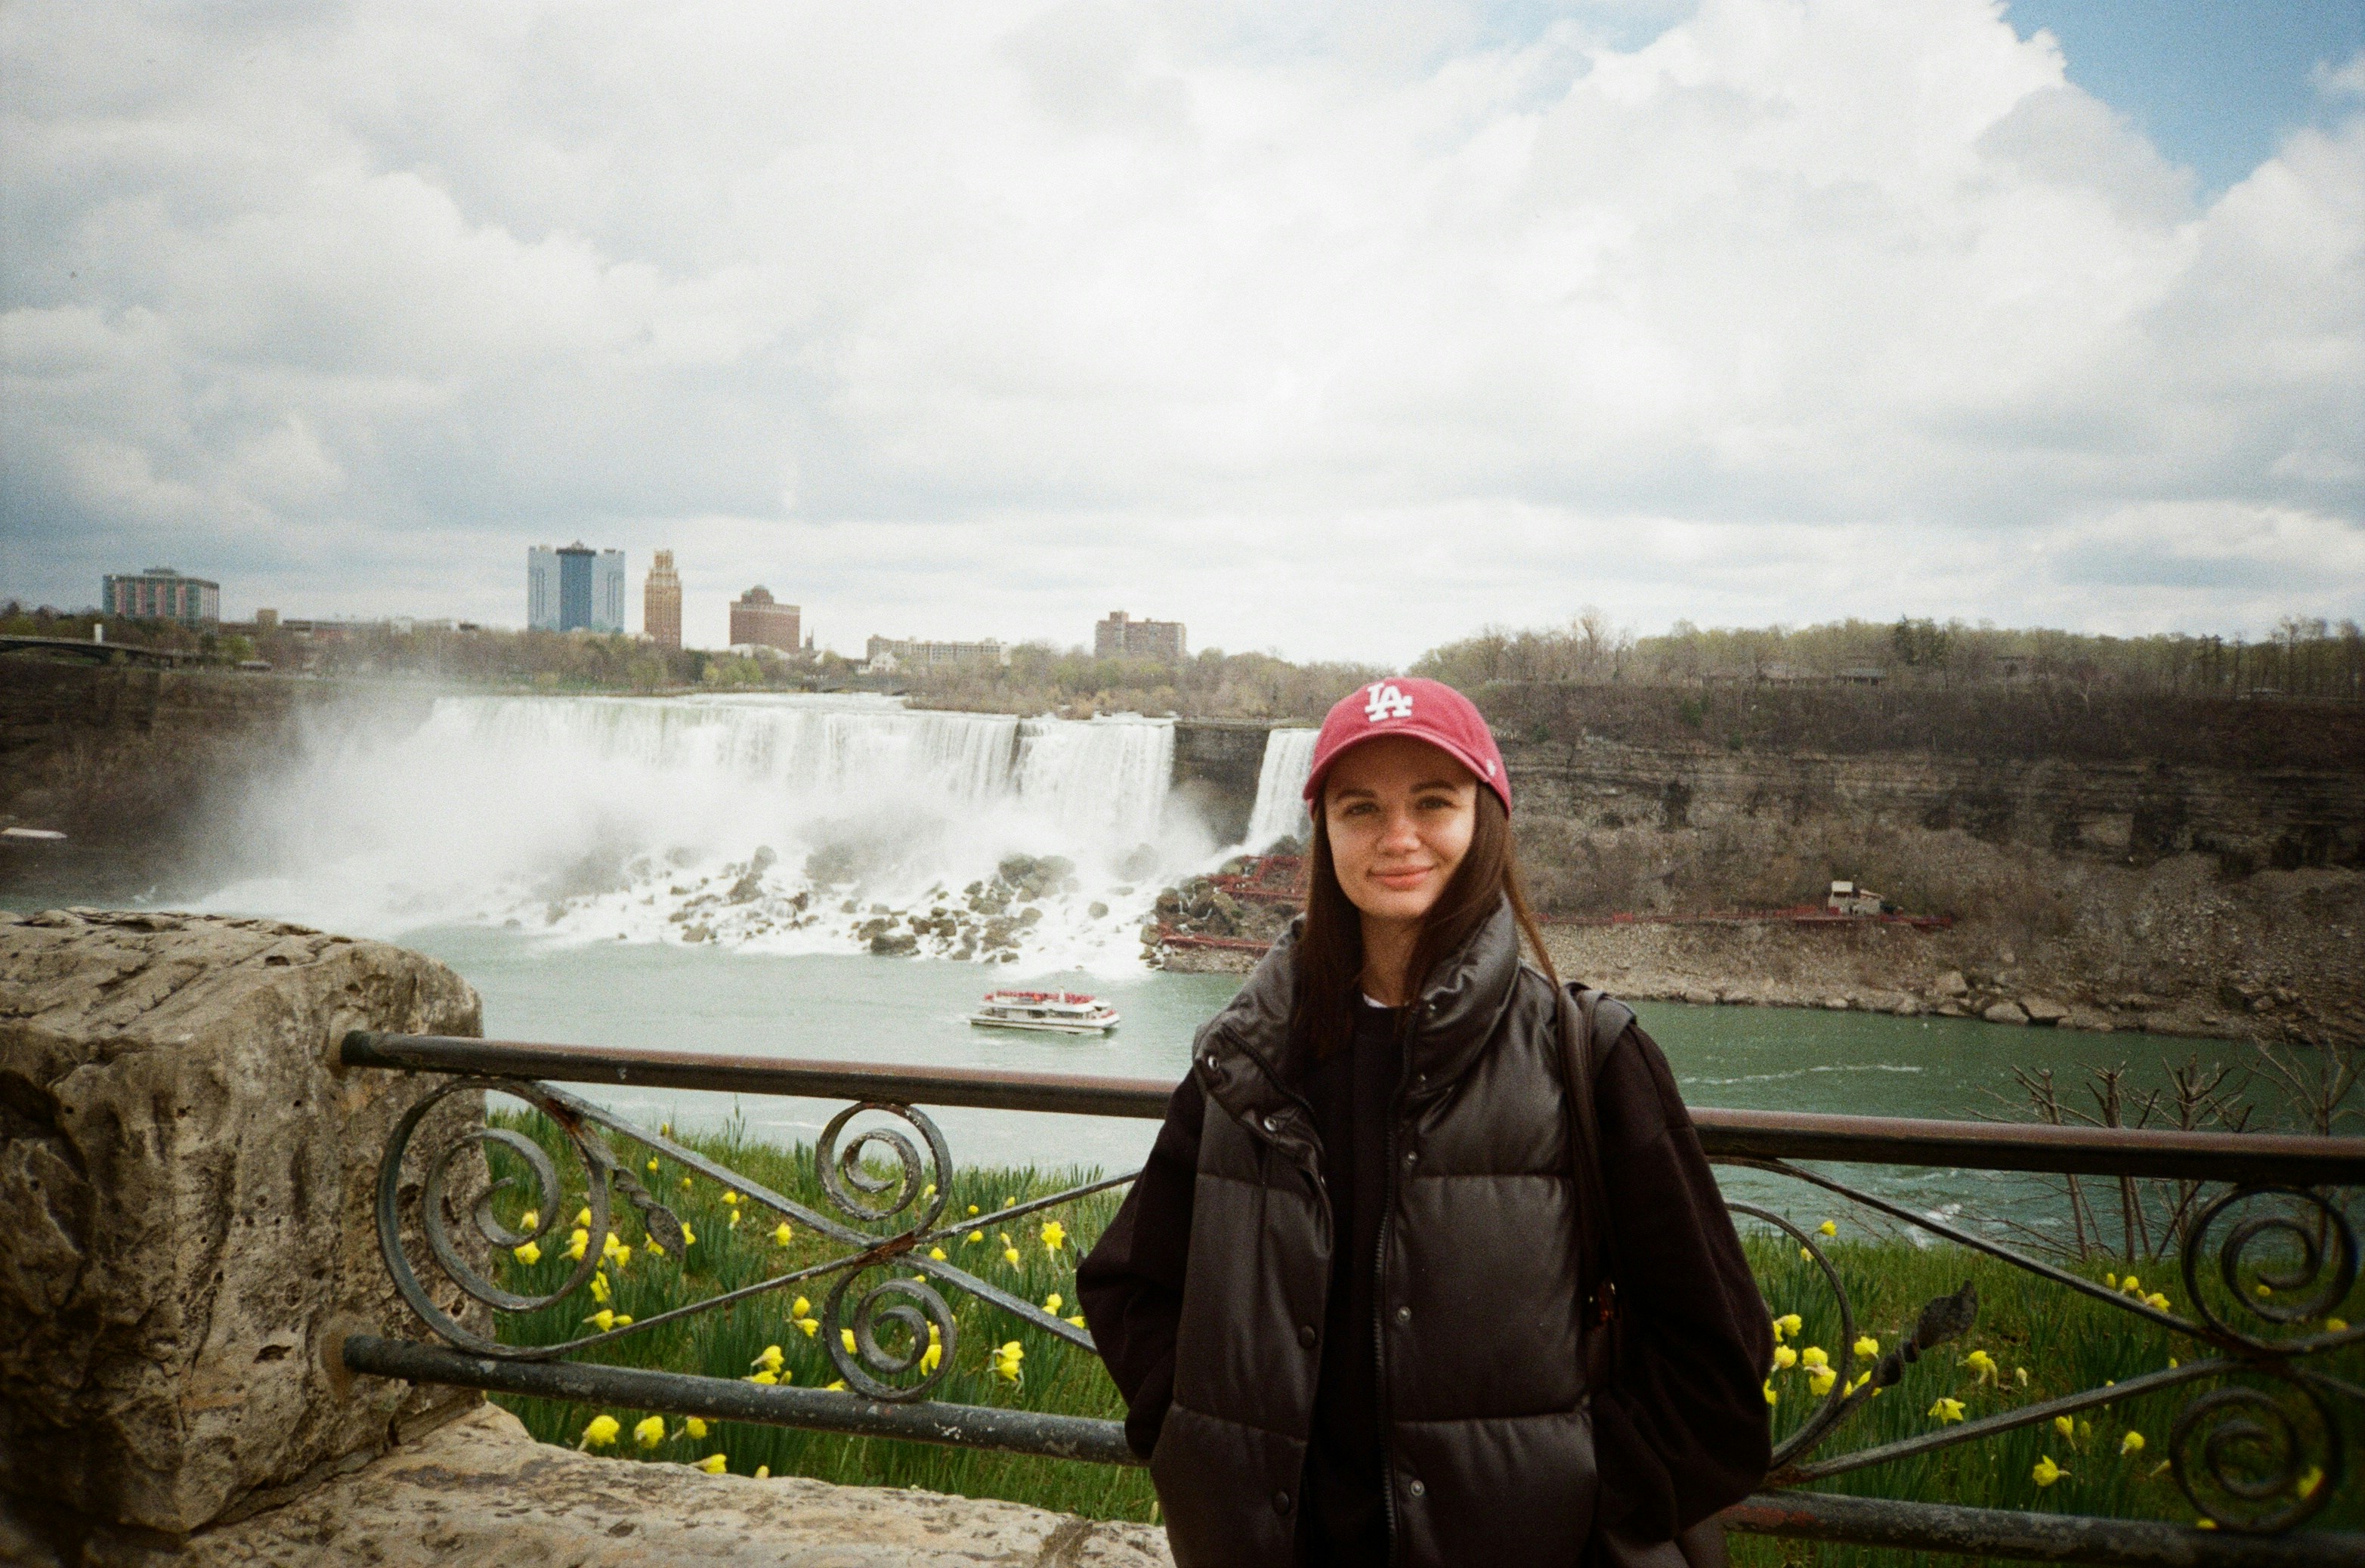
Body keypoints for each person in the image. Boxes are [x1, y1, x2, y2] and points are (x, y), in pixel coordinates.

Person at [1077, 677, 1771, 1568]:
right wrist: (1201, 1441)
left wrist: (1578, 1495)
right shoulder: (1246, 1055)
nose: (1396, 837)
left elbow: (1716, 1362)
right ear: (1323, 832)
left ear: (1484, 817)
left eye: (1432, 802)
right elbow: (1127, 1282)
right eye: (1359, 806)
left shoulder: (1588, 1055)